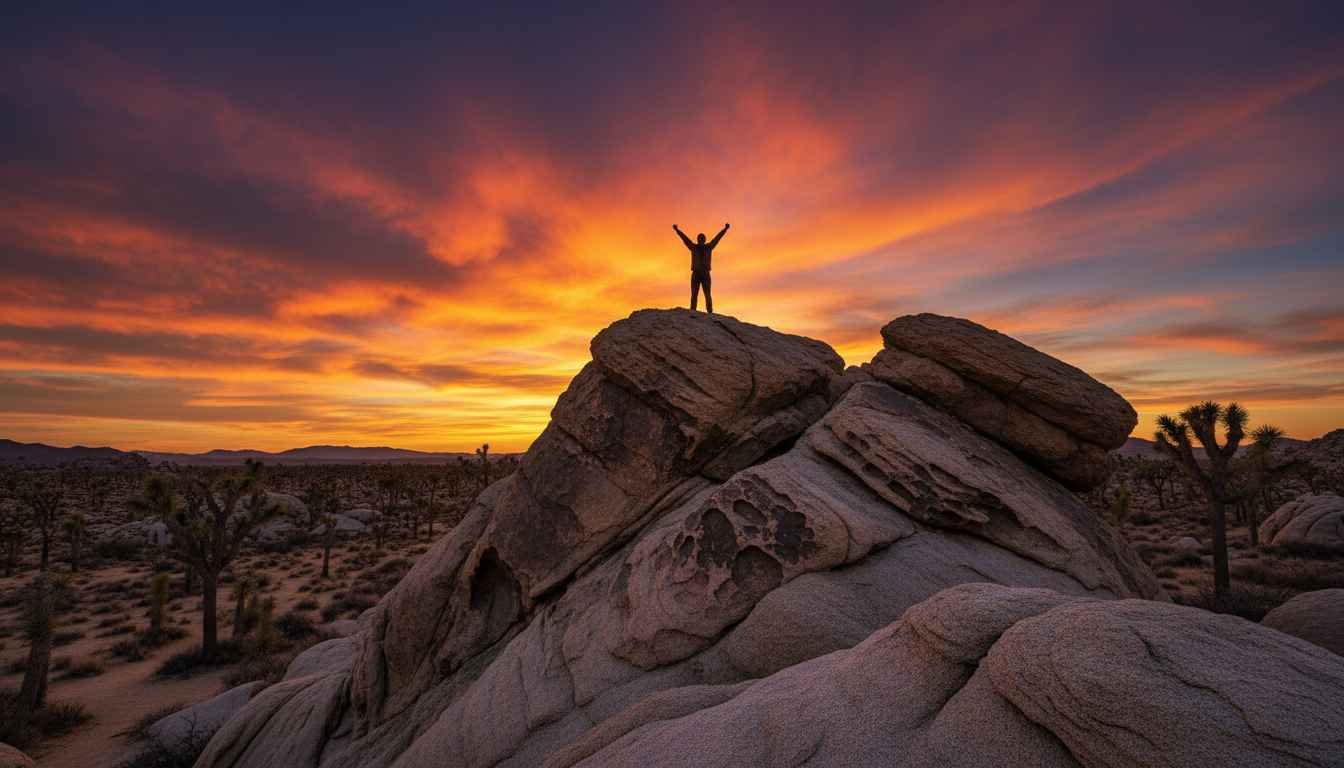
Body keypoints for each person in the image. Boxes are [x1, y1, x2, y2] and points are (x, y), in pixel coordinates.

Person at [673, 222, 729, 313]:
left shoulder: (709, 247)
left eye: (702, 238)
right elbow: (685, 239)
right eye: (700, 238)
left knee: (707, 294)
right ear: (698, 239)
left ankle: (709, 311)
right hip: (696, 273)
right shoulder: (693, 247)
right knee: (694, 294)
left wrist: (725, 229)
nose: (701, 240)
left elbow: (717, 238)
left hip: (705, 273)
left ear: (704, 240)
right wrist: (677, 230)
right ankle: (693, 310)